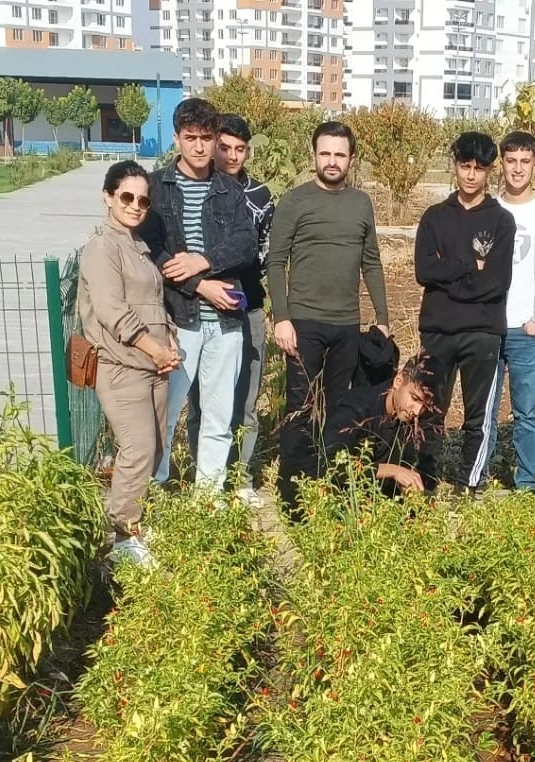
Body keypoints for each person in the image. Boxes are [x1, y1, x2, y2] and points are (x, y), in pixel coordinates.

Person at [269, 121, 391, 512]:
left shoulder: (361, 204)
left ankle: (332, 485)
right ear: (314, 156)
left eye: (340, 154)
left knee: (341, 408)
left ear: (351, 158)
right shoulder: (295, 201)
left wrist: (383, 317)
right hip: (303, 323)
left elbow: (371, 262)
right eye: (325, 153)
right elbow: (275, 262)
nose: (332, 161)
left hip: (346, 325)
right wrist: (282, 317)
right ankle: (293, 493)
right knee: (300, 407)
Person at [140, 99, 258, 493]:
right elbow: (152, 252)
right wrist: (200, 283)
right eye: (190, 138)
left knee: (219, 416)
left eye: (207, 138)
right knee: (165, 412)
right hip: (176, 322)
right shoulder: (155, 188)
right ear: (176, 138)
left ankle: (209, 498)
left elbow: (246, 243)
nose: (199, 147)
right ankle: (154, 492)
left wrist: (201, 260)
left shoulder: (229, 189)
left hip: (225, 325)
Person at [78, 162, 181, 568]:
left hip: (152, 364)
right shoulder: (102, 248)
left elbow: (154, 303)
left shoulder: (136, 246)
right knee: (137, 449)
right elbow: (112, 310)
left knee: (155, 448)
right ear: (108, 197)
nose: (136, 205)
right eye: (127, 197)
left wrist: (168, 339)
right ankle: (119, 540)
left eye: (142, 199)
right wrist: (153, 348)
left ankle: (134, 524)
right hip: (122, 364)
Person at [414, 131, 515, 492]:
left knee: (477, 416)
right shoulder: (434, 217)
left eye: (479, 168)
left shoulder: (501, 221)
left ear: (490, 171)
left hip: (483, 332)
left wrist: (449, 273)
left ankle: (469, 484)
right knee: (429, 409)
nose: (471, 175)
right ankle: (424, 481)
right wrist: (469, 266)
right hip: (438, 330)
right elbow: (424, 271)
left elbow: (497, 282)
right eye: (464, 166)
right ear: (454, 165)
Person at [187, 112, 273, 488]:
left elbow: (265, 252)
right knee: (200, 403)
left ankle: (240, 479)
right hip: (196, 308)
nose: (231, 156)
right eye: (224, 147)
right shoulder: (196, 188)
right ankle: (203, 480)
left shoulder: (260, 197)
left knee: (246, 400)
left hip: (247, 307)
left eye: (240, 149)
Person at [480, 130, 535, 492]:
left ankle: (527, 479)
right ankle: (477, 476)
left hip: (527, 329)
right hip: (489, 326)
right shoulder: (489, 210)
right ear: (502, 163)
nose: (517, 169)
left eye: (525, 161)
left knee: (527, 410)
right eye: (511, 161)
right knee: (483, 408)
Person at [315, 356, 439, 499]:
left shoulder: (404, 415)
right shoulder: (355, 409)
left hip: (376, 503)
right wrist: (393, 471)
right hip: (335, 499)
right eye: (415, 398)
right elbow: (333, 464)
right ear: (398, 381)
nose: (416, 411)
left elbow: (406, 462)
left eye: (424, 406)